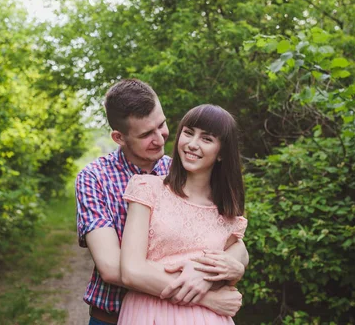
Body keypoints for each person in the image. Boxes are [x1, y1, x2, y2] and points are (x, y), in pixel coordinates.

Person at [75, 80, 249, 325]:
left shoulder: (182, 169)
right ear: (119, 137)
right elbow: (113, 268)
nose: (160, 138)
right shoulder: (95, 178)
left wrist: (226, 268)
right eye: (146, 134)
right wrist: (205, 297)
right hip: (113, 317)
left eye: (162, 125)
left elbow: (232, 242)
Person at [118, 104, 247, 324]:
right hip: (150, 314)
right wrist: (205, 296)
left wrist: (237, 268)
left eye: (207, 139)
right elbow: (131, 271)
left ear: (221, 153)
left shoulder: (228, 213)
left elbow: (239, 253)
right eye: (188, 133)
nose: (192, 144)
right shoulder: (147, 189)